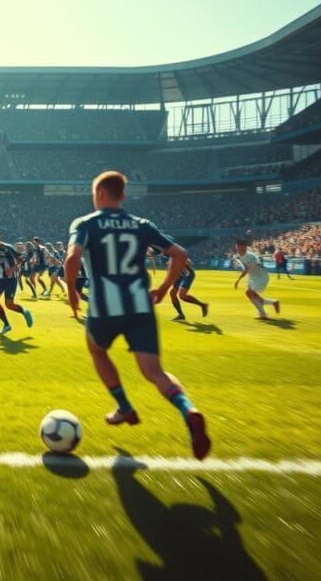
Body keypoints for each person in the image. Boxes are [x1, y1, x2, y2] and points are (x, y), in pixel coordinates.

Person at [64, 171, 210, 460]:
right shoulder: (141, 224)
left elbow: (72, 259)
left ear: (101, 194)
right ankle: (188, 409)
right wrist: (164, 288)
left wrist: (71, 293)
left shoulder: (85, 223)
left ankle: (124, 406)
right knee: (154, 372)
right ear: (122, 196)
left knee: (97, 351)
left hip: (106, 305)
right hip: (141, 305)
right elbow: (180, 255)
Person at [0, 229, 33, 335]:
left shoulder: (8, 248)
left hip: (11, 279)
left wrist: (12, 269)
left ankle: (24, 312)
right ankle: (6, 324)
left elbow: (20, 259)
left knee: (9, 304)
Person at [233, 240, 280, 319]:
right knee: (249, 294)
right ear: (236, 247)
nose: (241, 249)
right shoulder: (239, 256)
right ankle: (271, 305)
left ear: (245, 247)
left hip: (261, 277)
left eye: (242, 247)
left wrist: (238, 280)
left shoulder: (251, 256)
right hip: (252, 277)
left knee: (251, 293)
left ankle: (264, 312)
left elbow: (246, 269)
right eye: (239, 247)